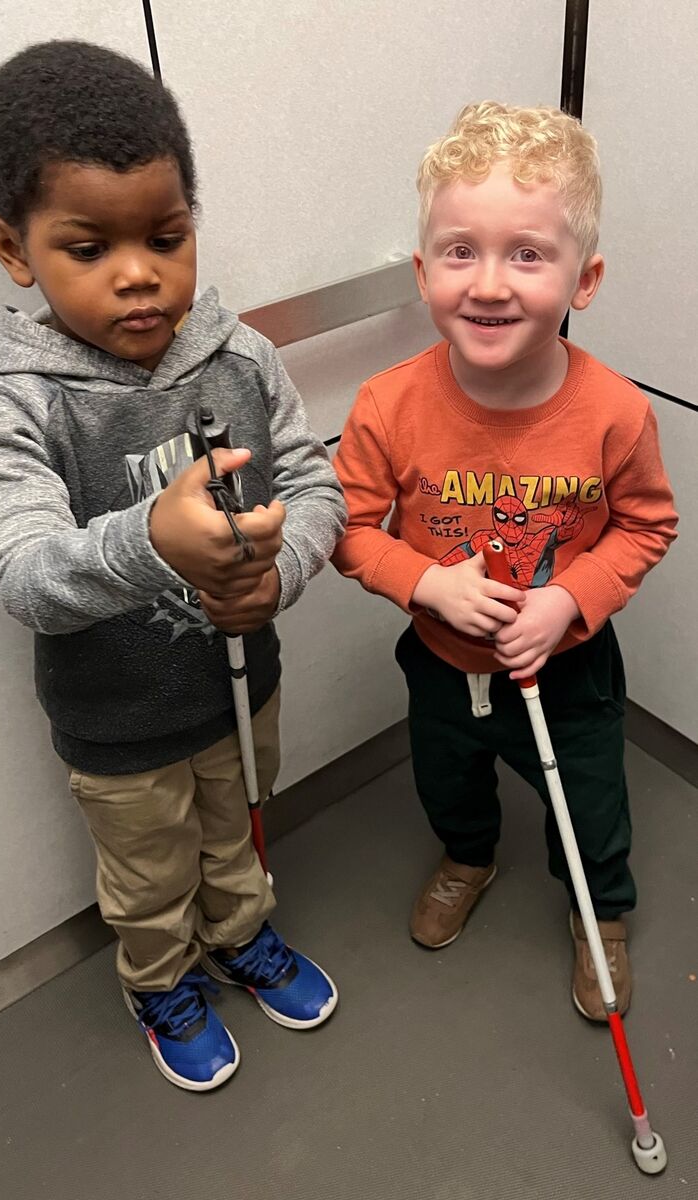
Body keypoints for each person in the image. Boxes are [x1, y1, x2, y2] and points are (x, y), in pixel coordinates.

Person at [0, 40, 345, 1091]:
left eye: (165, 238)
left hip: (238, 689)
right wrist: (148, 540)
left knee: (236, 841)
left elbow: (317, 489)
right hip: (116, 725)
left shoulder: (240, 355)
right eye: (88, 247)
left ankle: (242, 936)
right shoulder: (14, 399)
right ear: (14, 246)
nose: (139, 273)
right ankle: (158, 980)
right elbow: (22, 573)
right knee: (147, 876)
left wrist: (283, 574)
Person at [332, 102, 677, 1021]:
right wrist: (427, 581)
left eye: (527, 253)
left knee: (592, 806)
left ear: (584, 278)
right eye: (459, 251)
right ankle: (469, 855)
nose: (489, 283)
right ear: (422, 271)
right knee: (448, 780)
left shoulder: (615, 412)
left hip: (569, 673)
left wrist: (568, 602)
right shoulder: (386, 405)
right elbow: (351, 529)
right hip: (444, 666)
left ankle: (600, 912)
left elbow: (647, 528)